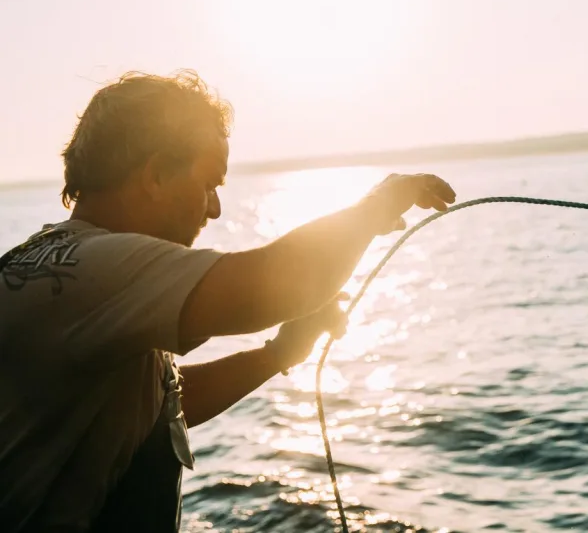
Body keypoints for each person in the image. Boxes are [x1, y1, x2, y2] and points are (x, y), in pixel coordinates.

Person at [0, 70, 456, 532]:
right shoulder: (101, 267)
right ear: (157, 175)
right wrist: (377, 205)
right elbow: (270, 282)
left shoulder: (50, 260)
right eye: (209, 183)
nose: (214, 208)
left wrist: (277, 354)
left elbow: (162, 405)